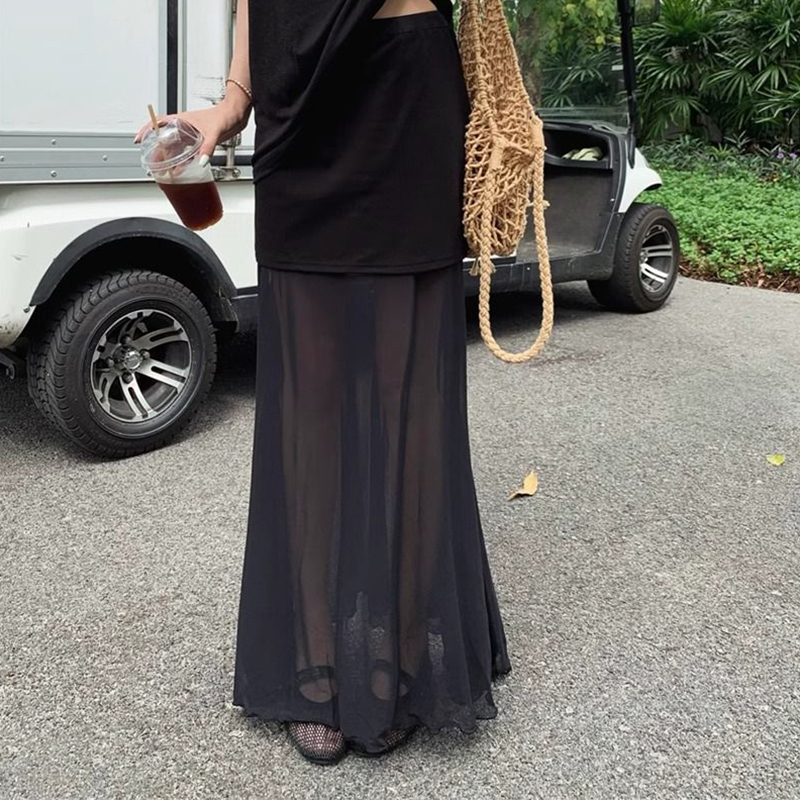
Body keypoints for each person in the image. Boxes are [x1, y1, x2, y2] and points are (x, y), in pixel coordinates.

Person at [136, 0, 511, 764]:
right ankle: (312, 656)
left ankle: (402, 652)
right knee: (307, 412)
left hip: (401, 94)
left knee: (409, 406)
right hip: (295, 121)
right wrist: (232, 104)